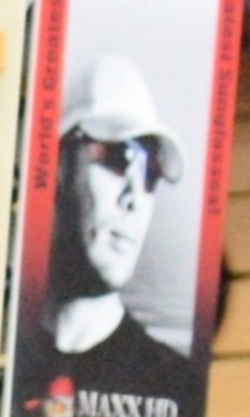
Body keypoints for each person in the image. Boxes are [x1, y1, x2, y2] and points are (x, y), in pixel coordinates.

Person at [41, 54, 191, 360]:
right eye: (118, 158)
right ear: (58, 165)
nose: (135, 198)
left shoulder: (170, 383)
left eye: (150, 173)